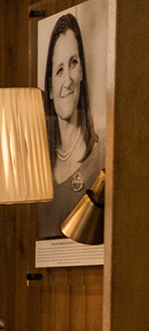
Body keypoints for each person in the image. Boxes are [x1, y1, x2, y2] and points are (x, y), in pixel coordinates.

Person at [44, 12, 104, 196]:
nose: (68, 80)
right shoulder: (41, 162)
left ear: (82, 73)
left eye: (73, 63)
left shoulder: (99, 155)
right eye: (59, 70)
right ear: (51, 89)